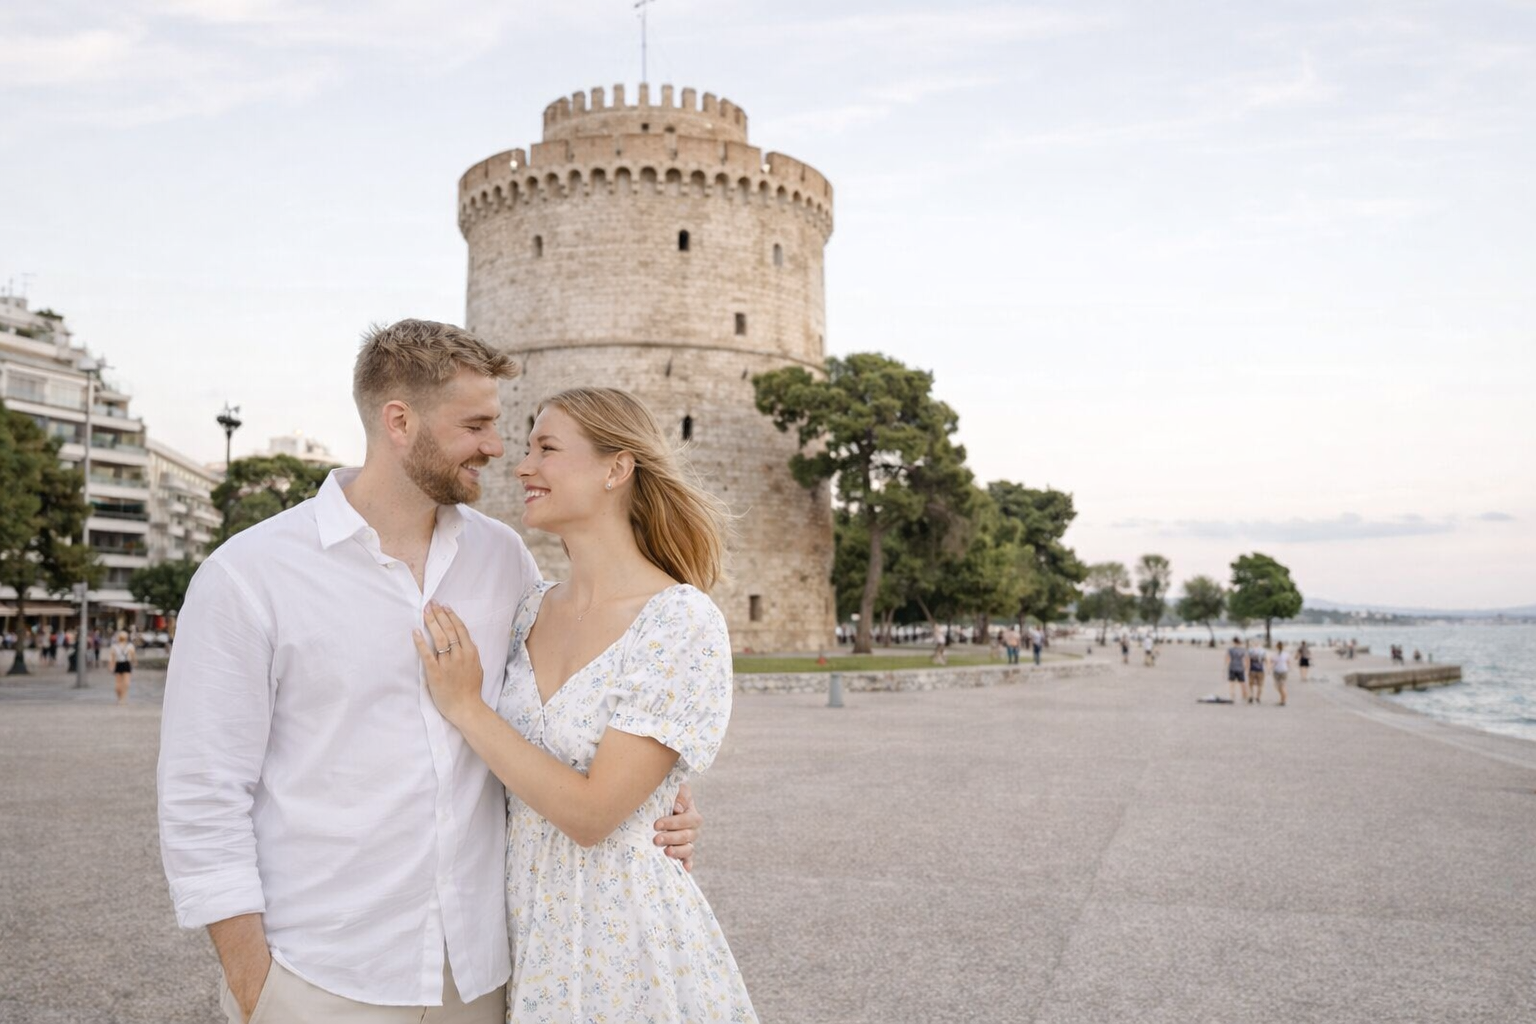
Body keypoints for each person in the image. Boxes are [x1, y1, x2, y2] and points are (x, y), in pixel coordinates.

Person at [157, 321, 701, 1024]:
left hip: (479, 977)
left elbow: (554, 718)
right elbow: (201, 794)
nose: (498, 447)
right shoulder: (249, 575)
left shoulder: (505, 561)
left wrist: (656, 803)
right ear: (399, 422)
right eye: (475, 424)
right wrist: (256, 983)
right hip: (321, 976)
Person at [415, 386, 756, 1022]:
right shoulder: (526, 612)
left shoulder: (679, 621)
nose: (522, 466)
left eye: (546, 448)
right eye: (525, 448)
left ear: (616, 468)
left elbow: (596, 814)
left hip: (628, 943)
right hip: (527, 937)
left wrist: (467, 708)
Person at [109, 630, 135, 704]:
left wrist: (111, 666)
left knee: (118, 682)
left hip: (118, 664)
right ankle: (123, 698)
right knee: (126, 682)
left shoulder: (114, 646)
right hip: (126, 664)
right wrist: (134, 662)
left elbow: (112, 657)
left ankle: (119, 697)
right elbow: (133, 656)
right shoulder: (130, 646)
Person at [1225, 637, 1248, 703]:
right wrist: (1246, 667)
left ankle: (1232, 695)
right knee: (1242, 683)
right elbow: (1246, 659)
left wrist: (1226, 666)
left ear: (1234, 642)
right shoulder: (1243, 650)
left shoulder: (1230, 649)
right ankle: (1244, 695)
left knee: (1232, 683)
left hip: (1232, 667)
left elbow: (1228, 659)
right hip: (1240, 667)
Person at [1247, 639, 1268, 704]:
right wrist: (1267, 669)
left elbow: (1248, 661)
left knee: (1250, 684)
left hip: (1252, 669)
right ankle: (1258, 697)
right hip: (1261, 670)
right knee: (1260, 685)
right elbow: (1266, 660)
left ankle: (1251, 695)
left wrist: (1247, 670)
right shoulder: (1263, 651)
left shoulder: (1250, 651)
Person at [1272, 641, 1290, 707]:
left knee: (1278, 686)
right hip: (1284, 670)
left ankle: (1283, 699)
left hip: (1277, 671)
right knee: (1282, 686)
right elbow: (1288, 662)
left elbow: (1273, 662)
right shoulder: (1286, 654)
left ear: (1276, 647)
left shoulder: (1275, 654)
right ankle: (1283, 699)